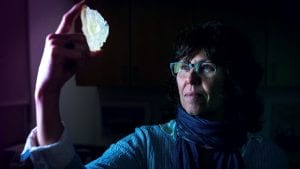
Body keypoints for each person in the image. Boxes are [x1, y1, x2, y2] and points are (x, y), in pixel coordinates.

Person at [21, 1, 289, 169]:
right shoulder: (146, 145)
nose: (190, 77)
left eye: (206, 67)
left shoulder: (269, 158)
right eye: (184, 66)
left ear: (235, 78)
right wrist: (47, 94)